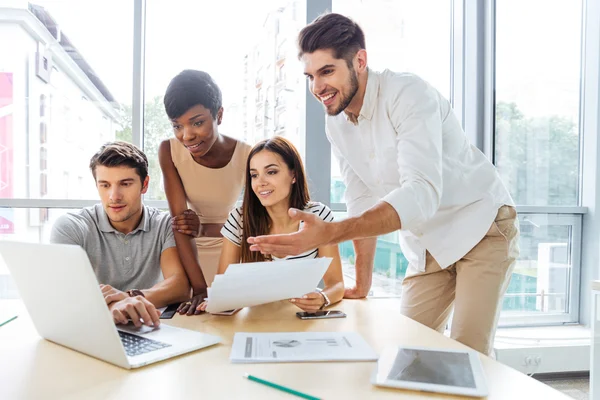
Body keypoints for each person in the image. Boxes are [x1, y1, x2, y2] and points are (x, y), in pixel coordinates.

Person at [248, 13, 519, 356]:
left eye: (327, 71)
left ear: (359, 61)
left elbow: (421, 193)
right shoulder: (337, 124)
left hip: (481, 226)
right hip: (428, 246)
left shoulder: (408, 93)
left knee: (468, 354)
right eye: (310, 76)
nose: (317, 88)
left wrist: (331, 233)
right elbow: (360, 199)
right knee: (406, 352)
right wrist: (361, 282)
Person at [50, 142, 190, 328]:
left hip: (150, 325)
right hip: (92, 326)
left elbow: (179, 285)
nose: (114, 196)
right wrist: (116, 305)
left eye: (125, 184)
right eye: (105, 185)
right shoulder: (71, 226)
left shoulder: (164, 223)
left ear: (144, 184)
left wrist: (128, 298)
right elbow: (65, 292)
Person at [198, 136, 344, 313]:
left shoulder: (318, 216)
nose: (260, 183)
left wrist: (323, 298)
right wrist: (222, 301)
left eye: (271, 172)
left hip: (300, 319)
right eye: (254, 175)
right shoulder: (239, 218)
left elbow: (336, 284)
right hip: (256, 321)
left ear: (293, 175)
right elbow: (223, 286)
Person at [159, 70, 252, 316]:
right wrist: (199, 288)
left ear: (219, 115)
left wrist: (203, 228)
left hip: (231, 254)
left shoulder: (247, 155)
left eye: (197, 122)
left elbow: (256, 224)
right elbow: (180, 226)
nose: (186, 136)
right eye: (177, 125)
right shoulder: (169, 151)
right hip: (189, 260)